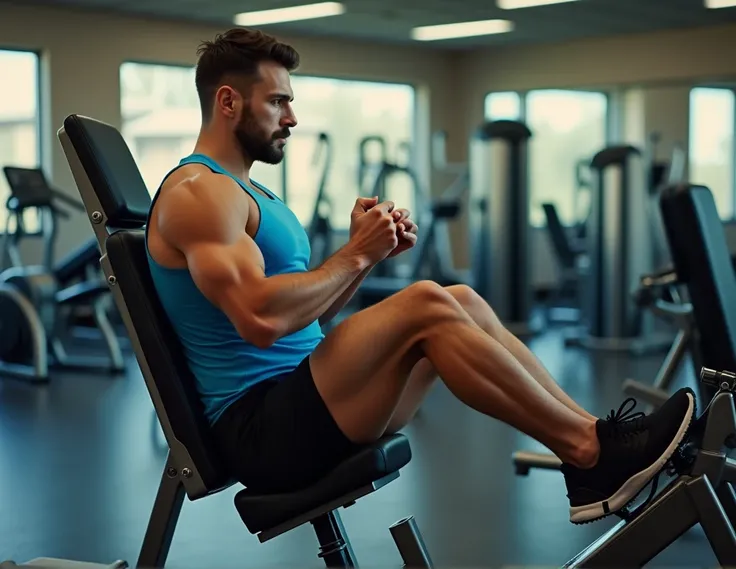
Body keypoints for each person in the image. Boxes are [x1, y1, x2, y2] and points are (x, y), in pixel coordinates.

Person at [144, 27, 695, 525]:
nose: (291, 117)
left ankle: (601, 441)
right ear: (228, 101)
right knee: (427, 301)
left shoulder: (249, 192)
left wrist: (367, 257)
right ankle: (590, 453)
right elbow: (260, 319)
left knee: (461, 300)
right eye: (278, 101)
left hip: (305, 394)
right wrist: (356, 255)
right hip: (262, 429)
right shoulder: (198, 192)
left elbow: (301, 318)